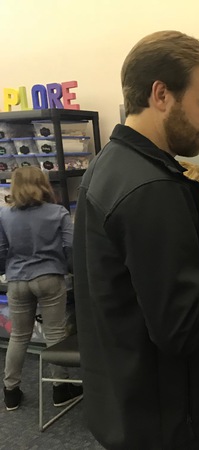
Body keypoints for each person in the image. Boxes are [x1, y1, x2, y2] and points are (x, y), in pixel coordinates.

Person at [73, 30, 199, 450]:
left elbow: (137, 284)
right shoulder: (154, 189)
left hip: (132, 408)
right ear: (161, 94)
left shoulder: (110, 165)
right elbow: (182, 329)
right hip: (176, 424)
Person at [0, 166, 82, 411]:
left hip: (17, 279)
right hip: (49, 277)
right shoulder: (57, 213)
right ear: (43, 184)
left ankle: (10, 391)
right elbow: (72, 248)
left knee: (19, 335)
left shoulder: (5, 215)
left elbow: (1, 251)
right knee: (55, 334)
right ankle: (60, 389)